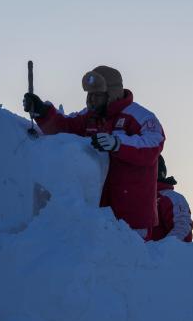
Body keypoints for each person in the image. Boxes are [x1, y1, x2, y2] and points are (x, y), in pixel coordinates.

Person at [23, 66, 164, 239]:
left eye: (96, 95)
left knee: (129, 263)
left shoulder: (139, 117)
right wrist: (42, 112)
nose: (91, 100)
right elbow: (66, 127)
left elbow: (153, 145)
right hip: (98, 215)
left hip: (132, 219)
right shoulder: (90, 117)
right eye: (89, 95)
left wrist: (117, 144)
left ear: (111, 93)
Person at [152, 155, 193, 242]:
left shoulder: (171, 197)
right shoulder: (132, 199)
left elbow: (182, 232)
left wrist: (156, 251)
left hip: (154, 254)